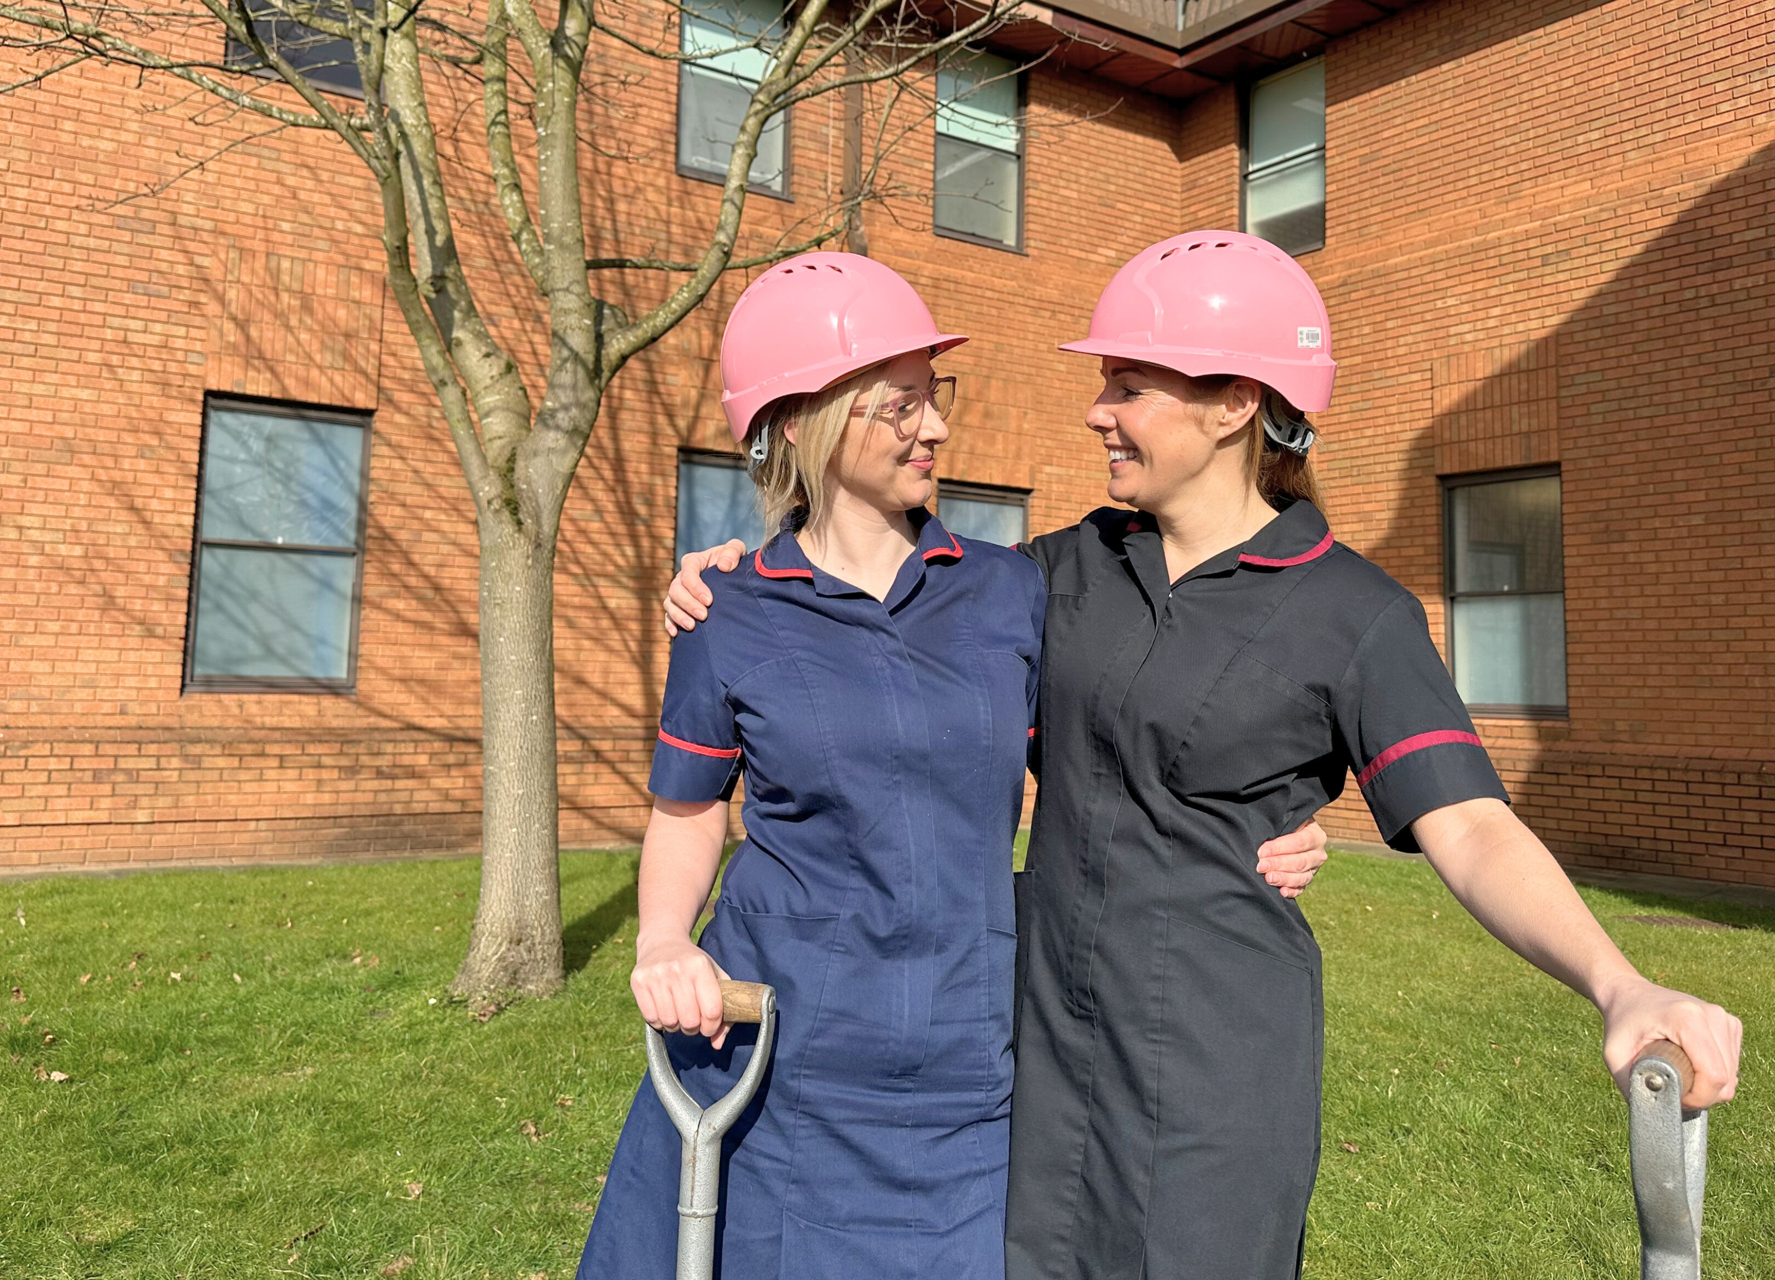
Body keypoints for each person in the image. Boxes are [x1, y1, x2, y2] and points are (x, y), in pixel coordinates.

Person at [664, 232, 1743, 1280]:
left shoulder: (1352, 611)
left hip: (1216, 1075)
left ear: (1234, 405)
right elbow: (892, 640)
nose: (1098, 409)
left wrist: (1619, 983)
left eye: (1129, 385)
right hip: (1042, 1066)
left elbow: (1470, 823)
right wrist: (743, 574)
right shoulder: (1058, 573)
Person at [583, 252, 1329, 1280]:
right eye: (901, 405)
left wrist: (1265, 811)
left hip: (965, 1061)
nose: (934, 427)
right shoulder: (728, 611)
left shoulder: (1008, 593)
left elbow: (1120, 743)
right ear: (800, 420)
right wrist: (665, 938)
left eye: (935, 397)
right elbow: (687, 805)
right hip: (775, 1057)